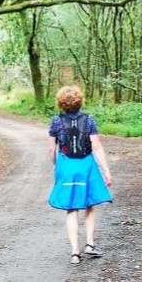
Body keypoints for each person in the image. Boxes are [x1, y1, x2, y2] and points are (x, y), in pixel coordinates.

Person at [47, 85, 113, 264]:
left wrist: (55, 165)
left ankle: (75, 252)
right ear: (79, 101)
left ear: (61, 103)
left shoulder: (56, 121)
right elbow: (96, 146)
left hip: (67, 165)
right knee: (90, 204)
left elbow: (52, 148)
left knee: (71, 208)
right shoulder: (89, 120)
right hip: (87, 165)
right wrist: (106, 170)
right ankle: (90, 245)